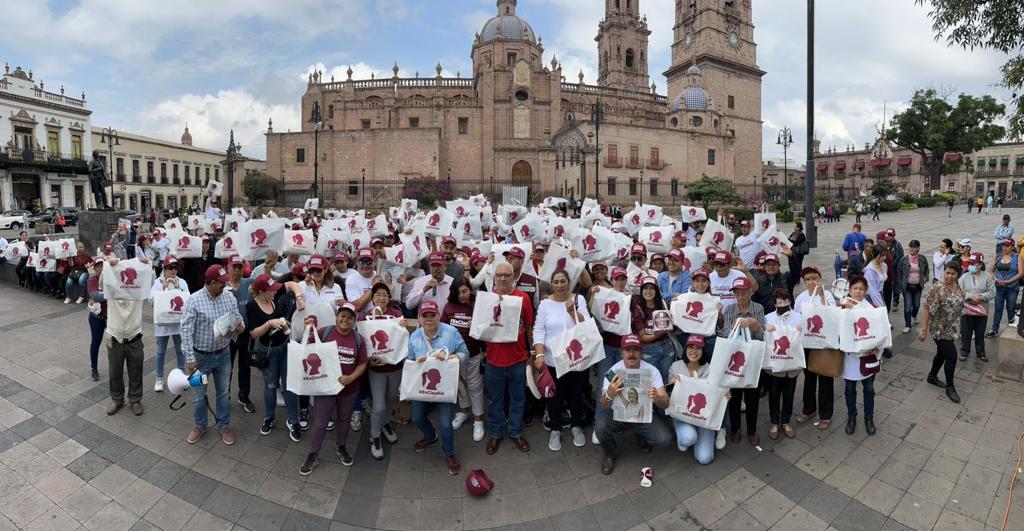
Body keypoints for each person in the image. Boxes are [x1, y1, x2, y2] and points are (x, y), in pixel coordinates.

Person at [180, 264, 246, 446]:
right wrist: (190, 359)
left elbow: (237, 317)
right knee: (198, 395)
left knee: (223, 392)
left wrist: (241, 326)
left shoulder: (228, 297)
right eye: (221, 283)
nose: (225, 285)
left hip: (223, 354)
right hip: (200, 358)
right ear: (211, 282)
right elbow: (185, 331)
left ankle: (224, 425)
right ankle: (200, 425)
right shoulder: (194, 300)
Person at [300, 302, 368, 474]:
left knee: (344, 420)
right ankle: (313, 453)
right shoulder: (325, 332)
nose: (345, 319)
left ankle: (341, 446)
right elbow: (306, 347)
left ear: (354, 320)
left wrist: (351, 377)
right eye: (342, 315)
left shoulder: (358, 339)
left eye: (350, 317)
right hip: (326, 388)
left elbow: (362, 363)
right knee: (321, 423)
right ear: (336, 317)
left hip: (349, 389)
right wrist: (308, 329)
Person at [406, 300, 470, 475]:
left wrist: (452, 356)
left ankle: (449, 453)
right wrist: (416, 361)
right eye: (424, 316)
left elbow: (465, 353)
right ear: (419, 318)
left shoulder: (451, 332)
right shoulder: (415, 337)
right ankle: (430, 436)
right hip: (423, 386)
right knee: (417, 417)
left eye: (432, 315)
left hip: (444, 386)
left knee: (446, 424)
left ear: (439, 315)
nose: (429, 319)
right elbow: (408, 362)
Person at [595, 334, 672, 475]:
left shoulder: (652, 371)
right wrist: (609, 394)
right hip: (618, 416)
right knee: (600, 426)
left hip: (642, 416)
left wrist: (657, 398)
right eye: (627, 350)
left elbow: (665, 403)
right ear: (621, 352)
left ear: (641, 352)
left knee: (664, 438)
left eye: (635, 350)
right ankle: (610, 453)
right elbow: (603, 406)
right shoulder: (612, 372)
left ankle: (641, 436)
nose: (631, 354)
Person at [533, 269, 591, 451]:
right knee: (553, 396)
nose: (559, 285)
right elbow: (539, 330)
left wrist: (572, 311)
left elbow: (586, 325)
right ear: (552, 284)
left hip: (576, 359)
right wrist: (539, 354)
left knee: (576, 394)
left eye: (563, 281)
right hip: (552, 360)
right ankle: (555, 428)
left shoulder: (578, 299)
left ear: (569, 282)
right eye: (556, 282)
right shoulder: (545, 304)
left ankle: (576, 425)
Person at [484, 262, 534, 455]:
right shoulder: (487, 299)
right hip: (494, 360)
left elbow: (529, 326)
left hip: (517, 359)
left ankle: (515, 431)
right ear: (494, 277)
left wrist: (531, 353)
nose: (503, 278)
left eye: (507, 275)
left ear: (514, 277)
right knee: (495, 400)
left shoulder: (523, 298)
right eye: (499, 275)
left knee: (518, 399)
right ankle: (496, 433)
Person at [248, 274, 303, 441]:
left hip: (284, 346)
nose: (275, 292)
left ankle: (293, 421)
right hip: (267, 351)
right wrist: (269, 323)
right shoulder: (252, 306)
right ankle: (269, 418)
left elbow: (291, 284)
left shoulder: (273, 295)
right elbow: (253, 333)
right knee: (270, 386)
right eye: (271, 290)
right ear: (261, 292)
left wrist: (299, 297)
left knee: (289, 385)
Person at [101, 256, 152, 416]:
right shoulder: (112, 290)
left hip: (134, 336)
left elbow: (150, 282)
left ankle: (135, 399)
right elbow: (102, 282)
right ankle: (117, 399)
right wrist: (109, 267)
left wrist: (147, 266)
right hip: (114, 336)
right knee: (115, 371)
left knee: (136, 369)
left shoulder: (137, 290)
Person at [718, 276, 765, 445]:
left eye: (744, 293)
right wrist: (733, 327)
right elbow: (724, 335)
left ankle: (752, 431)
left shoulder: (758, 308)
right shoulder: (730, 309)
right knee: (735, 396)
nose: (740, 296)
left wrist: (754, 324)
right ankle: (736, 429)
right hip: (734, 360)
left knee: (752, 397)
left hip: (752, 360)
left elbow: (762, 336)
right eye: (737, 293)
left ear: (750, 292)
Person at [362, 282, 405, 460]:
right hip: (377, 369)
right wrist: (368, 361)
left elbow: (402, 339)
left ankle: (385, 424)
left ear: (389, 298)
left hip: (395, 367)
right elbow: (362, 343)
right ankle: (375, 435)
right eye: (378, 294)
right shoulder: (365, 318)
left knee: (389, 399)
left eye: (384, 295)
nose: (381, 297)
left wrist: (402, 327)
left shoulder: (396, 315)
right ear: (372, 299)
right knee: (378, 405)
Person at [442, 277, 486, 442]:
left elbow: (486, 328)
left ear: (470, 290)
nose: (462, 295)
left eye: (465, 291)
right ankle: (464, 410)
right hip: (456, 356)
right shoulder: (449, 307)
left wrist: (486, 349)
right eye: (458, 292)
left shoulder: (478, 305)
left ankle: (478, 419)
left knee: (475, 386)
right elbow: (443, 330)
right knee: (460, 385)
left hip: (475, 354)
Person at [795, 266, 836, 430]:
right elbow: (797, 318)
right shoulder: (800, 298)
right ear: (804, 282)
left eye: (814, 278)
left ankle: (825, 414)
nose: (811, 282)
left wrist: (822, 296)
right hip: (808, 343)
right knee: (809, 377)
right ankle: (809, 408)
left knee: (825, 377)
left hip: (824, 343)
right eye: (808, 279)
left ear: (820, 279)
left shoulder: (828, 295)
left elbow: (832, 315)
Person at [919, 262, 966, 403]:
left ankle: (932, 376)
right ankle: (950, 387)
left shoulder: (957, 286)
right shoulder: (937, 288)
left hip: (952, 328)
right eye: (947, 273)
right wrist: (923, 329)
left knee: (941, 354)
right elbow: (928, 309)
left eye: (953, 273)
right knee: (951, 356)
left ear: (958, 275)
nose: (949, 276)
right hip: (940, 330)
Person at [668, 335, 718, 464]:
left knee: (705, 458)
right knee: (688, 438)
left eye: (698, 348)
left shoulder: (708, 368)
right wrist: (672, 384)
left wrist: (724, 396)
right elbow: (669, 397)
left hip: (703, 416)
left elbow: (713, 395)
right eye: (691, 347)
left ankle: (698, 437)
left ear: (703, 351)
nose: (694, 351)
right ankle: (686, 437)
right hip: (682, 414)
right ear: (685, 349)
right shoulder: (675, 367)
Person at [840, 276, 880, 435]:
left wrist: (876, 347)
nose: (858, 291)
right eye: (855, 288)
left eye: (861, 289)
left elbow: (880, 331)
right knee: (850, 389)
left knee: (869, 389)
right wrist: (848, 310)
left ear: (866, 291)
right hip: (850, 358)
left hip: (867, 357)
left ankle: (869, 417)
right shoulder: (842, 308)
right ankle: (852, 416)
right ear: (850, 290)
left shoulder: (872, 309)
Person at [763, 288, 801, 440]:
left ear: (790, 301)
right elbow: (763, 338)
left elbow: (803, 339)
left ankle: (785, 421)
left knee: (789, 394)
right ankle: (774, 422)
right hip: (774, 366)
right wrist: (765, 330)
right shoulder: (768, 318)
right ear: (775, 304)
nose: (783, 304)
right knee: (773, 394)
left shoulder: (798, 317)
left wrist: (801, 330)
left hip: (792, 366)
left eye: (785, 301)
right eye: (779, 302)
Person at [151, 256, 189, 392]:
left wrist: (180, 290)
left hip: (178, 323)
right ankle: (159, 378)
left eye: (175, 268)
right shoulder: (157, 283)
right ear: (164, 269)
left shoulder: (182, 282)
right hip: (163, 324)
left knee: (180, 351)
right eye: (170, 268)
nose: (173, 270)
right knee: (160, 352)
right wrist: (162, 290)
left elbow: (189, 300)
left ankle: (181, 377)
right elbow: (151, 301)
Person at [225, 255, 256, 414]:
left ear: (244, 268)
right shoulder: (222, 285)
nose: (237, 270)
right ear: (228, 268)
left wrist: (268, 266)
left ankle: (244, 396)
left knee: (245, 367)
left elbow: (266, 283)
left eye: (239, 267)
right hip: (228, 335)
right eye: (234, 267)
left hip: (246, 333)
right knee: (226, 367)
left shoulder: (249, 283)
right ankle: (225, 395)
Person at [632, 275, 674, 383]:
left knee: (665, 379)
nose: (648, 291)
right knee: (651, 381)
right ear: (641, 291)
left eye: (652, 288)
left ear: (656, 291)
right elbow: (643, 337)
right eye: (645, 288)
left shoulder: (664, 304)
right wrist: (656, 335)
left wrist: (678, 300)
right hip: (649, 349)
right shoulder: (638, 309)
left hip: (667, 346)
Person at [958, 252, 995, 362]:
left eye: (973, 264)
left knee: (980, 333)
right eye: (970, 263)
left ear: (980, 264)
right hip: (966, 311)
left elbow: (993, 292)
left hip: (981, 311)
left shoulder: (987, 277)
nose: (971, 266)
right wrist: (971, 296)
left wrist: (981, 297)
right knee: (965, 332)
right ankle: (964, 351)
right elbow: (959, 291)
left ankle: (981, 353)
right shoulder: (964, 276)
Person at [896, 240, 928, 334]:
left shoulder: (922, 259)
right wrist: (900, 286)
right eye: (911, 247)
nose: (912, 249)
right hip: (907, 287)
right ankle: (908, 325)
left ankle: (914, 316)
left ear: (918, 248)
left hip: (918, 286)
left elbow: (926, 270)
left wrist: (926, 278)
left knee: (916, 305)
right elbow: (899, 273)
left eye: (914, 247)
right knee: (907, 306)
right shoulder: (904, 259)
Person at [990, 239, 1021, 337]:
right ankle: (994, 329)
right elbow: (991, 270)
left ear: (1012, 246)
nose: (1005, 247)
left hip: (1012, 288)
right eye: (1003, 245)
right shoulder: (998, 256)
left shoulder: (1018, 257)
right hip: (999, 287)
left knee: (1010, 308)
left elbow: (1021, 273)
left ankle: (1011, 328)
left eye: (1007, 245)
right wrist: (995, 279)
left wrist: (1009, 281)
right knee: (998, 308)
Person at [406, 251, 453, 315]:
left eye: (439, 265)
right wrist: (423, 290)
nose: (436, 269)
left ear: (445, 266)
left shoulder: (452, 282)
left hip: (446, 320)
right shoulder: (420, 282)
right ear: (429, 266)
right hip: (426, 320)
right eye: (433, 265)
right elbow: (409, 305)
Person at [86, 256, 106, 381]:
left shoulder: (111, 279)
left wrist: (102, 295)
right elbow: (95, 296)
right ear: (95, 268)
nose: (101, 268)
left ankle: (115, 367)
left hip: (110, 316)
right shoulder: (91, 281)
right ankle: (94, 368)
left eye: (103, 266)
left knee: (114, 343)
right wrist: (111, 294)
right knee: (96, 342)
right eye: (99, 266)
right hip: (96, 317)